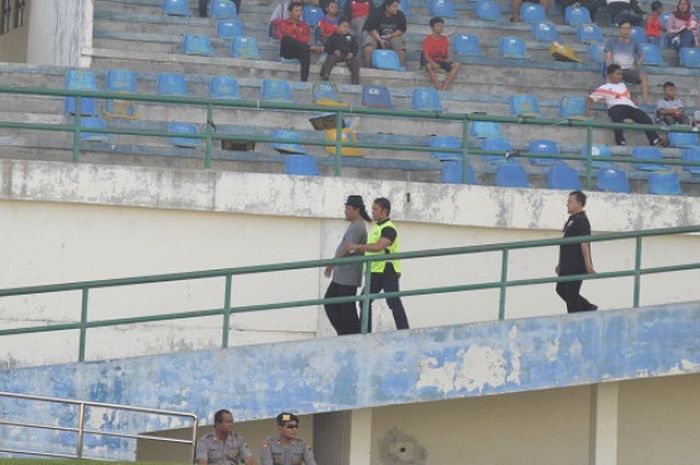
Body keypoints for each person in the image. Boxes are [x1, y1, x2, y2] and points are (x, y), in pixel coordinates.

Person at [345, 197, 409, 332]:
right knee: (364, 301)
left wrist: (357, 247)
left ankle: (404, 331)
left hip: (387, 270)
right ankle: (366, 333)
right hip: (375, 271)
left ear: (384, 211)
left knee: (393, 301)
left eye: (375, 209)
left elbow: (378, 247)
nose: (372, 211)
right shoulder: (377, 227)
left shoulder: (389, 229)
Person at [586, 64, 664, 146]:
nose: (620, 76)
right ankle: (620, 141)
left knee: (645, 117)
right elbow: (590, 98)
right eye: (618, 74)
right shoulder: (604, 87)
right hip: (616, 107)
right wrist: (587, 110)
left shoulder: (623, 85)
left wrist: (632, 99)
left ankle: (654, 140)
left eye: (621, 74)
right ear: (610, 76)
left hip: (630, 107)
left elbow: (627, 96)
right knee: (616, 116)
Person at [323, 195, 370, 335]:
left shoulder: (358, 226)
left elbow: (348, 248)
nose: (346, 212)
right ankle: (345, 333)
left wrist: (332, 263)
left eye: (348, 209)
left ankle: (352, 335)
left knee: (346, 307)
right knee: (332, 303)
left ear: (357, 210)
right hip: (342, 275)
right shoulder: (355, 224)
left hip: (348, 275)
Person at [555, 191, 598, 314]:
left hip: (575, 265)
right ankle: (588, 307)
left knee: (571, 293)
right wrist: (560, 263)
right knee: (561, 290)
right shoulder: (572, 219)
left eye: (570, 202)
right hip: (567, 264)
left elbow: (584, 243)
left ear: (579, 203)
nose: (567, 204)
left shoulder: (582, 220)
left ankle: (578, 316)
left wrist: (588, 265)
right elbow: (565, 242)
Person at [605, 21, 650, 104]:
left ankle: (645, 100)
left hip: (629, 70)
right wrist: (612, 67)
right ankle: (610, 99)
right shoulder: (611, 42)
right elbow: (608, 57)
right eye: (623, 28)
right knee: (610, 72)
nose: (626, 31)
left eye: (628, 29)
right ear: (619, 30)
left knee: (643, 75)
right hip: (616, 69)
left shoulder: (634, 43)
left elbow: (641, 56)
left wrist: (636, 64)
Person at [277, 2, 324, 82]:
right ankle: (310, 48)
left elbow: (305, 40)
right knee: (286, 39)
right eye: (296, 11)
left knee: (305, 51)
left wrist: (293, 36)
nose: (299, 13)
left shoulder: (305, 26)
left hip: (299, 51)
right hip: (287, 52)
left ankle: (304, 81)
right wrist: (296, 37)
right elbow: (282, 38)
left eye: (300, 11)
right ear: (290, 12)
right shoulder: (283, 24)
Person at [362, 0, 407, 67]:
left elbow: (402, 29)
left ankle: (399, 70)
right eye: (394, 6)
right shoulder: (376, 13)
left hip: (391, 37)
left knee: (401, 50)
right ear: (387, 6)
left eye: (397, 6)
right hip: (375, 36)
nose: (396, 8)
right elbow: (370, 28)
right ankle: (369, 68)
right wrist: (380, 40)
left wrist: (391, 35)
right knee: (368, 49)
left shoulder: (400, 15)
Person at [422, 17, 461, 91]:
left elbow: (447, 52)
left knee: (457, 65)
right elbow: (426, 56)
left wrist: (448, 58)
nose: (441, 27)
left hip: (442, 61)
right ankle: (438, 87)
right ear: (432, 28)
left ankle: (444, 88)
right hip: (432, 61)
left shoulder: (444, 39)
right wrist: (433, 63)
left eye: (442, 26)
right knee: (428, 66)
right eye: (438, 25)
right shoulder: (427, 40)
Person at [320, 19, 361, 84]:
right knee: (330, 58)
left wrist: (352, 53)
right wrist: (334, 51)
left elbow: (355, 47)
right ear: (338, 27)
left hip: (347, 56)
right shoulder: (333, 36)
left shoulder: (350, 37)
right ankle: (325, 75)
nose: (346, 28)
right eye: (344, 26)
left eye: (347, 27)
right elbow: (327, 47)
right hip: (336, 55)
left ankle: (355, 80)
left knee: (355, 62)